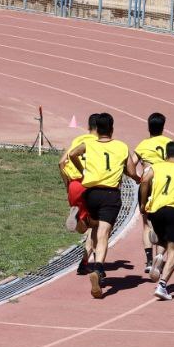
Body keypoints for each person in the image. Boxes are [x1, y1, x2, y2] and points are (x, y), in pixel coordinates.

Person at [65, 112, 137, 298]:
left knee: (93, 227)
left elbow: (72, 154)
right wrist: (138, 178)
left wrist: (83, 170)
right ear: (112, 129)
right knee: (104, 233)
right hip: (110, 194)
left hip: (91, 193)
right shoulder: (121, 146)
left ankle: (82, 220)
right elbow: (130, 171)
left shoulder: (89, 144)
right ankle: (97, 269)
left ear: (97, 129)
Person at [138, 140, 174, 301]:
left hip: (155, 211)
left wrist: (143, 202)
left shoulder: (156, 167)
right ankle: (162, 285)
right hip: (173, 211)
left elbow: (144, 180)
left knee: (163, 241)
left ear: (165, 155)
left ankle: (159, 257)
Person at [59, 113, 100, 274]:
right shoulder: (100, 144)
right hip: (90, 184)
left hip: (73, 185)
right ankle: (90, 262)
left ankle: (84, 262)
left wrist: (67, 185)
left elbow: (61, 162)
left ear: (89, 127)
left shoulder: (78, 141)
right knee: (96, 226)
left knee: (84, 228)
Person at [133, 112, 171, 274]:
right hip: (165, 184)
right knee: (165, 221)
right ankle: (160, 256)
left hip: (147, 181)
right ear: (163, 127)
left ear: (148, 127)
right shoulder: (170, 143)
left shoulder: (143, 145)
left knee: (146, 224)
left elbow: (132, 163)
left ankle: (149, 261)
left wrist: (135, 176)